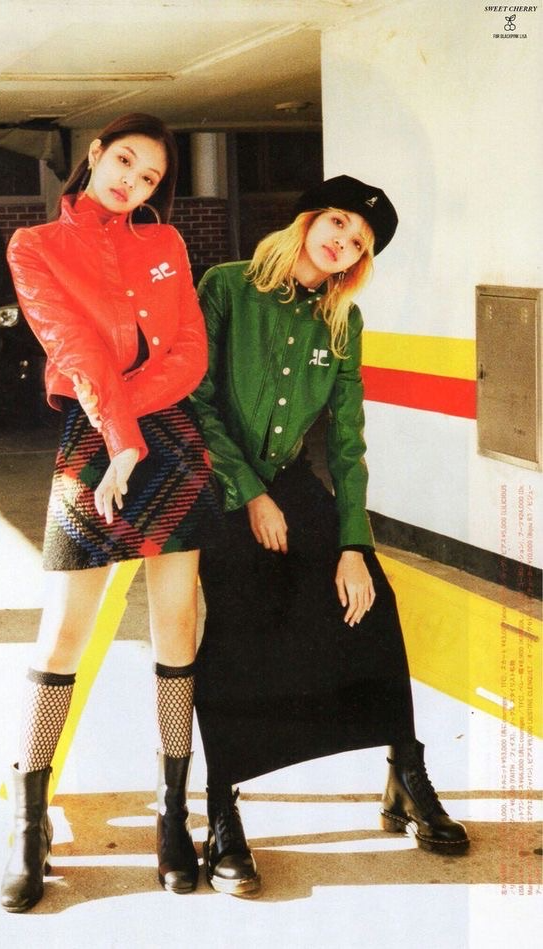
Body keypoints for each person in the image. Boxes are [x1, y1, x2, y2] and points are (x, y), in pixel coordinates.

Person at [189, 175, 470, 896]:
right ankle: (220, 807)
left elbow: (346, 441)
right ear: (310, 218)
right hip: (217, 483)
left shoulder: (343, 320)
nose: (343, 242)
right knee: (236, 622)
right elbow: (196, 399)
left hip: (287, 482)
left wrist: (353, 545)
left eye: (359, 241)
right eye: (339, 222)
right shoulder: (226, 286)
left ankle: (406, 773)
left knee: (373, 605)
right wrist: (250, 494)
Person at [0, 113, 219, 912]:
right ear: (94, 155)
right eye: (124, 160)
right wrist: (119, 438)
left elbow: (189, 351)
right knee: (64, 630)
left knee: (176, 625)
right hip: (95, 435)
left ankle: (172, 813)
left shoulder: (166, 243)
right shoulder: (34, 246)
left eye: (150, 176)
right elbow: (74, 349)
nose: (132, 181)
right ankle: (28, 822)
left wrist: (137, 428)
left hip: (171, 437)